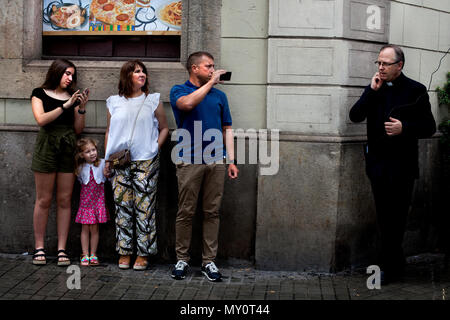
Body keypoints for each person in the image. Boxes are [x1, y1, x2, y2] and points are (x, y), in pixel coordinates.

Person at [349, 45, 436, 284]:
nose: (380, 67)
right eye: (378, 63)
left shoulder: (416, 91)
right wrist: (370, 91)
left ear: (399, 65)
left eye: (385, 63)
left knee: (396, 217)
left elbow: (429, 127)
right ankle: (394, 263)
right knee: (384, 215)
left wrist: (404, 128)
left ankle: (388, 266)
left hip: (403, 166)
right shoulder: (374, 89)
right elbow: (355, 116)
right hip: (377, 164)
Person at [169, 51, 239, 282]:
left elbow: (227, 128)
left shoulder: (220, 96)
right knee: (185, 211)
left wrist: (231, 159)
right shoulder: (179, 90)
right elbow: (187, 105)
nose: (213, 70)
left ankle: (209, 262)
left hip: (216, 160)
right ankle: (182, 259)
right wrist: (210, 83)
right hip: (189, 160)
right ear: (194, 68)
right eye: (208, 66)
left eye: (213, 67)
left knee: (212, 212)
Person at [104, 60, 169, 271]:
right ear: (126, 76)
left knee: (145, 208)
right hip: (119, 162)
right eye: (136, 72)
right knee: (122, 207)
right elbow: (109, 132)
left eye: (143, 72)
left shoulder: (153, 100)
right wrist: (107, 160)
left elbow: (164, 128)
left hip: (145, 161)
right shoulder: (113, 102)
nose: (142, 75)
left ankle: (143, 253)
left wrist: (154, 149)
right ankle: (124, 251)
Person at [30, 59, 89, 266]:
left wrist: (80, 108)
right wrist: (65, 105)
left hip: (68, 146)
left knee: (65, 199)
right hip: (46, 145)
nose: (70, 78)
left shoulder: (72, 97)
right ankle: (39, 247)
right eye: (67, 74)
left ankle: (61, 248)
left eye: (72, 75)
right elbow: (41, 120)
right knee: (43, 199)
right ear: (56, 73)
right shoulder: (39, 93)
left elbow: (78, 129)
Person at [74, 138, 109, 266]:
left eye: (93, 150)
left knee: (95, 229)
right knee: (85, 228)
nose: (92, 153)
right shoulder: (80, 168)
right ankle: (85, 254)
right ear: (82, 155)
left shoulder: (102, 164)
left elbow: (108, 176)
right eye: (88, 152)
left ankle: (93, 254)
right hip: (86, 204)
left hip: (97, 203)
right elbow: (79, 180)